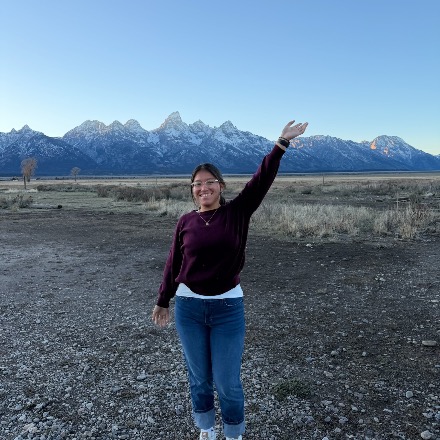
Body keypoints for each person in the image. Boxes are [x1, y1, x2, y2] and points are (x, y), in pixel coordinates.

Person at [152, 119, 309, 440]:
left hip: (227, 308)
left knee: (227, 381)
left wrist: (281, 144)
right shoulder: (185, 222)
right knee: (199, 378)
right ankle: (206, 429)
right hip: (189, 308)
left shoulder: (237, 212)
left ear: (221, 186)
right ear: (192, 190)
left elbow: (261, 179)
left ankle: (234, 433)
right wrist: (163, 299)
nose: (203, 188)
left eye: (210, 182)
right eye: (197, 184)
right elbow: (173, 262)